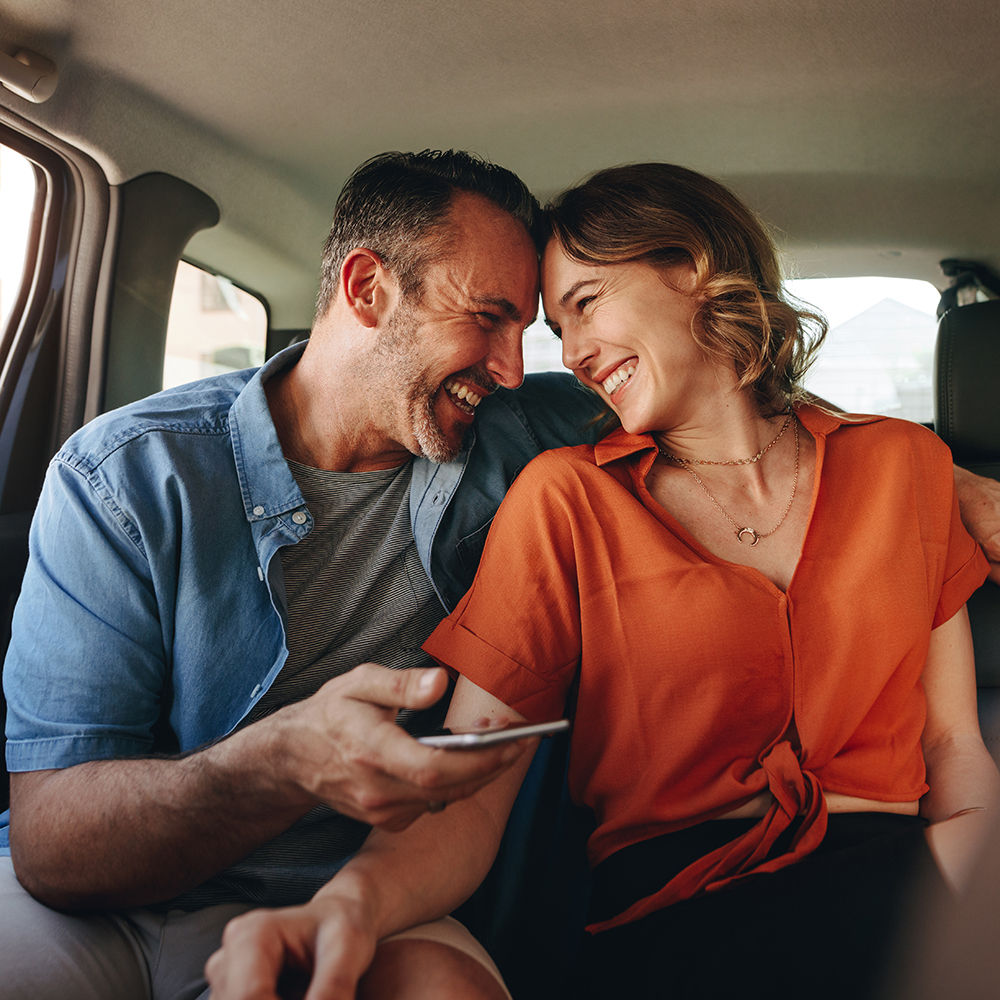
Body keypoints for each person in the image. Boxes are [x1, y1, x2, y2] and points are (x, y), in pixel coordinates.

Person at [205, 162, 1000, 1000]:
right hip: (686, 923)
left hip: (910, 888)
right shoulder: (566, 499)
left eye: (586, 303)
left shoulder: (907, 465)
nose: (573, 356)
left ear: (691, 269)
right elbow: (468, 792)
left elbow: (954, 748)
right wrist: (349, 908)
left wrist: (971, 893)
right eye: (558, 328)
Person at [0, 150, 605, 1000]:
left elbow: (695, 399)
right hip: (94, 911)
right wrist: (281, 763)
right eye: (486, 317)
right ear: (367, 289)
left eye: (524, 331)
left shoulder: (525, 439)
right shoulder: (126, 476)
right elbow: (55, 848)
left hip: (353, 894)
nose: (511, 367)